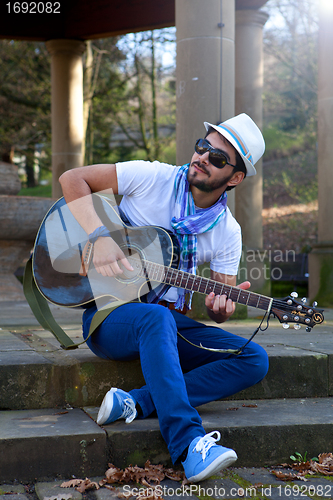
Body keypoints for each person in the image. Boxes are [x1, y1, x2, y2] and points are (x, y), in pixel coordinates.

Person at [59, 113, 269, 483]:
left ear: (235, 178)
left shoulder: (226, 233)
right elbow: (72, 179)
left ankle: (137, 401)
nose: (203, 157)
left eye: (217, 158)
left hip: (168, 321)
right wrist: (99, 237)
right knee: (158, 318)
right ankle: (189, 445)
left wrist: (221, 309)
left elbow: (220, 301)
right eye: (203, 147)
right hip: (109, 316)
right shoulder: (153, 177)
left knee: (253, 358)